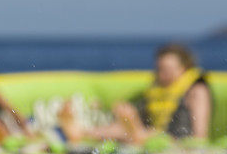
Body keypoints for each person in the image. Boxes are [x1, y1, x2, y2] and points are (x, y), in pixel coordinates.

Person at [60, 43, 212, 144]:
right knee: (120, 128)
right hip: (153, 136)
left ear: (183, 69)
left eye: (168, 70)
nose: (162, 74)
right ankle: (80, 133)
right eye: (160, 69)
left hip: (178, 142)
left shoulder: (197, 90)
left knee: (135, 130)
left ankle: (135, 131)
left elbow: (200, 136)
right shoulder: (155, 90)